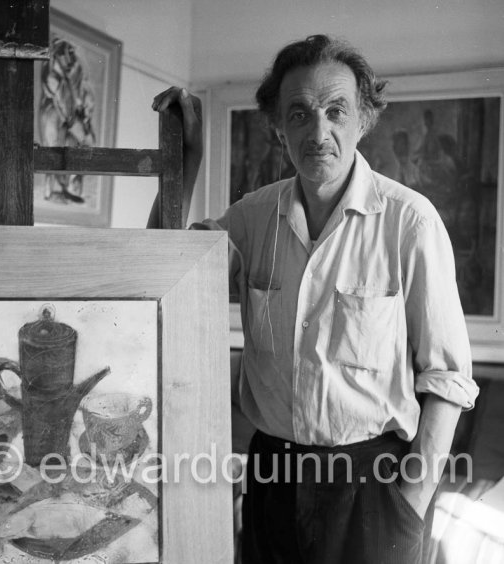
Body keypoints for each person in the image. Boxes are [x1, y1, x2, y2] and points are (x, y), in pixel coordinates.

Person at [149, 35, 479, 564]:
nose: (318, 130)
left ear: (363, 120)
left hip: (376, 484)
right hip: (272, 477)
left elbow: (447, 377)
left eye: (335, 111)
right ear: (279, 128)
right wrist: (186, 165)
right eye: (299, 113)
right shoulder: (251, 218)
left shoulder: (410, 222)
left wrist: (412, 499)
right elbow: (166, 275)